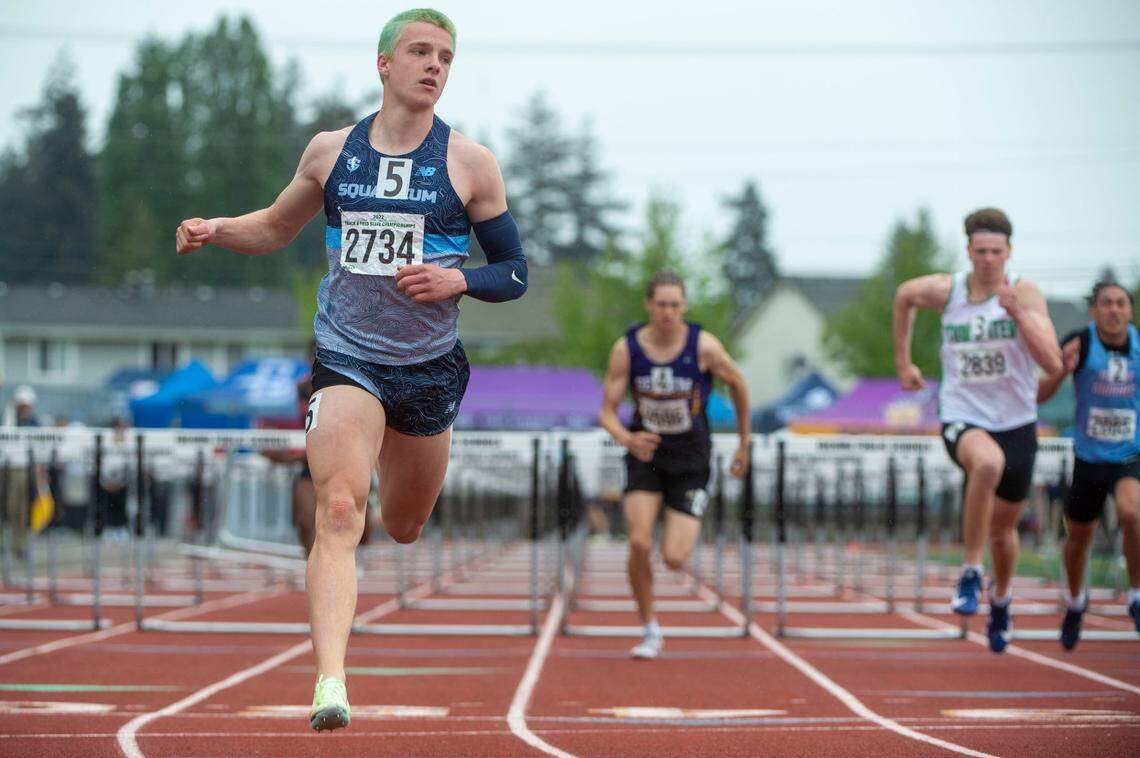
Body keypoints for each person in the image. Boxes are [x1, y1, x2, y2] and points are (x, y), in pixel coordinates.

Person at [174, 8, 527, 732]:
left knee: (401, 525)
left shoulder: (469, 163)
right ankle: (330, 681)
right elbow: (276, 226)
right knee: (339, 509)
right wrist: (215, 229)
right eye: (421, 52)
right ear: (384, 65)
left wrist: (458, 281)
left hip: (428, 370)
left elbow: (515, 272)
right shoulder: (332, 153)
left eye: (447, 57)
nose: (435, 65)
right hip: (346, 356)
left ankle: (391, 480)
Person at [894, 208, 1062, 653]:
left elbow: (1053, 363)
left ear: (1009, 253)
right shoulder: (949, 292)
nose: (989, 259)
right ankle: (970, 572)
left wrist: (1019, 316)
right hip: (963, 416)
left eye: (997, 252)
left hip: (1017, 422)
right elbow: (904, 295)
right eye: (981, 251)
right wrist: (902, 361)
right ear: (968, 251)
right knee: (986, 464)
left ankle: (1001, 599)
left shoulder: (1024, 292)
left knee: (1004, 536)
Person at [598, 270, 750, 660]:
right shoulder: (627, 349)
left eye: (675, 305)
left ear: (684, 306)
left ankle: (683, 512)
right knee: (638, 541)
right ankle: (650, 628)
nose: (668, 312)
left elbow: (739, 384)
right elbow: (607, 413)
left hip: (691, 458)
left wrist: (745, 442)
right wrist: (628, 438)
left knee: (674, 558)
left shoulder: (704, 346)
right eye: (661, 304)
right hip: (645, 455)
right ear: (649, 304)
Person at [1037, 281, 1140, 648]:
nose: (1114, 310)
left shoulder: (1139, 345)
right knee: (1078, 539)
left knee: (1133, 514)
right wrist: (1062, 370)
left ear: (1129, 310)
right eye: (1106, 303)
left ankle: (1135, 596)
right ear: (1094, 310)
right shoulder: (1080, 343)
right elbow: (1040, 394)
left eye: (1121, 303)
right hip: (1088, 456)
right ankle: (1077, 602)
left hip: (1130, 453)